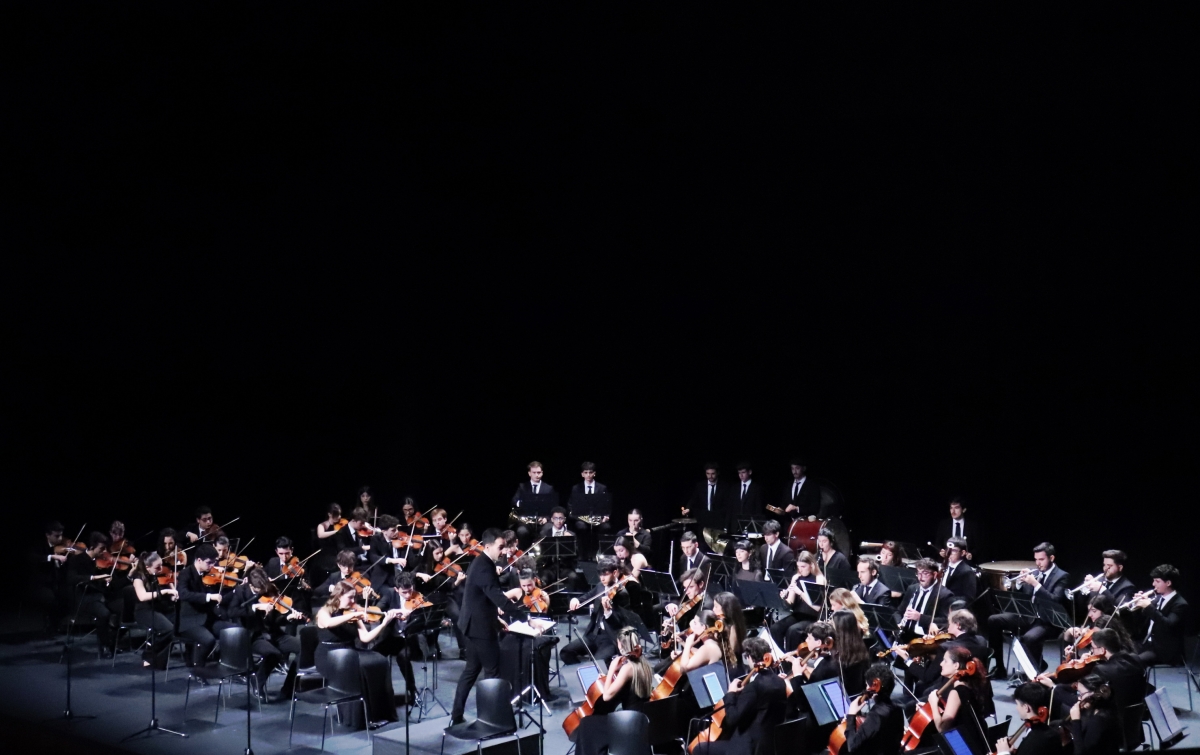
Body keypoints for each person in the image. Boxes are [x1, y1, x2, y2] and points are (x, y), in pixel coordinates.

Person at [449, 528, 528, 725]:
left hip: (473, 624)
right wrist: (524, 618)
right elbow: (497, 597)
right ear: (487, 546)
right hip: (479, 628)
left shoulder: (482, 563)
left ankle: (457, 715)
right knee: (492, 672)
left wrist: (495, 619)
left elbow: (482, 600)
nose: (503, 551)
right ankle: (493, 719)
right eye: (500, 547)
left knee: (471, 671)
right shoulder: (484, 566)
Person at [315, 581, 401, 728]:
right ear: (339, 596)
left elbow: (365, 638)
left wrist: (383, 624)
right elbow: (328, 623)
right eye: (350, 597)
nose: (354, 601)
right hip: (330, 655)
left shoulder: (352, 612)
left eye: (355, 597)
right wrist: (352, 616)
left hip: (349, 651)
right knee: (360, 668)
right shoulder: (324, 612)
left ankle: (379, 713)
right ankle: (361, 719)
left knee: (379, 661)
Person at [219, 566, 304, 701]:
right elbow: (232, 612)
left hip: (273, 633)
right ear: (251, 585)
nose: (263, 592)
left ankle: (288, 689)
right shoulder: (241, 591)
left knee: (303, 648)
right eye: (259, 590)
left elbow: (275, 619)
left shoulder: (269, 588)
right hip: (254, 635)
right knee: (273, 654)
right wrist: (255, 607)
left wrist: (287, 618)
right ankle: (258, 683)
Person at [693, 636, 788, 755]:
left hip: (748, 748)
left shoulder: (754, 687)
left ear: (749, 658)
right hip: (768, 746)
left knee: (699, 748)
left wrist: (731, 693)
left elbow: (732, 719)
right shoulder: (779, 682)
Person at [988, 543, 1071, 676]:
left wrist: (1035, 584)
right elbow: (1022, 598)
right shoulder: (1035, 572)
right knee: (993, 620)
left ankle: (1037, 668)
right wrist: (1020, 583)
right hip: (1028, 615)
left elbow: (1055, 600)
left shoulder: (1062, 576)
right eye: (1036, 559)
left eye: (1041, 559)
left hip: (1047, 620)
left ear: (1052, 558)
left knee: (1029, 639)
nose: (1038, 563)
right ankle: (999, 667)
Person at [571, 628, 655, 755]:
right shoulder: (645, 664)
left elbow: (606, 696)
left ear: (621, 646)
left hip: (628, 724)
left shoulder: (627, 669)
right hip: (642, 720)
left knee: (587, 723)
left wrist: (610, 670)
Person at [561, 557, 633, 665]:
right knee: (565, 653)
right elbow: (587, 596)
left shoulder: (622, 594)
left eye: (605, 574)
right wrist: (576, 600)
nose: (602, 578)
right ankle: (583, 674)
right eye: (600, 575)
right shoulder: (600, 586)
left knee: (597, 665)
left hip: (610, 638)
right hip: (593, 634)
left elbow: (620, 623)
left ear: (615, 572)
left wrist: (608, 612)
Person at [65, 532, 118, 657]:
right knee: (104, 614)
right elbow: (71, 579)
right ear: (92, 546)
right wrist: (95, 577)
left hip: (98, 596)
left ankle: (113, 643)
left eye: (105, 548)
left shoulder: (97, 562)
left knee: (120, 607)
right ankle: (105, 646)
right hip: (83, 597)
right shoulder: (76, 560)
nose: (104, 551)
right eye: (101, 548)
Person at [1130, 563, 1188, 666]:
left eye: (1157, 581)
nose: (1153, 584)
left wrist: (1148, 607)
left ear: (1168, 583)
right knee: (1121, 655)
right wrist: (1138, 604)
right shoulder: (1158, 599)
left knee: (1133, 662)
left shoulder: (1180, 604)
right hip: (1148, 643)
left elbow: (1168, 625)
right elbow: (1142, 620)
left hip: (1164, 650)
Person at [175, 543, 223, 666]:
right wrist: (208, 596)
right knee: (209, 640)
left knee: (232, 632)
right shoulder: (186, 573)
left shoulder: (210, 574)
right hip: (189, 621)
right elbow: (183, 594)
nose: (212, 566)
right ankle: (199, 668)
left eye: (214, 562)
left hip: (207, 617)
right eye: (209, 563)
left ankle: (227, 664)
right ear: (199, 560)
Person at [925, 645, 988, 737]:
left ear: (956, 665)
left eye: (945, 661)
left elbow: (942, 729)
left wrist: (934, 705)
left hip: (966, 744)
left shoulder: (956, 692)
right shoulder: (970, 685)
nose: (941, 664)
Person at [130, 551, 178, 669]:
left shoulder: (160, 574)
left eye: (161, 565)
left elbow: (171, 587)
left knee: (178, 625)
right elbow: (142, 596)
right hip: (144, 610)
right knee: (167, 629)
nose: (161, 569)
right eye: (157, 567)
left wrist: (173, 593)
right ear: (147, 567)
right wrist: (164, 591)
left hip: (160, 608)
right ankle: (148, 655)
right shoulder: (138, 577)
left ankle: (160, 661)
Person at [843, 663, 905, 755]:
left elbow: (852, 746)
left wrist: (851, 716)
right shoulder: (897, 709)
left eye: (867, 685)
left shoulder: (875, 716)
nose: (866, 688)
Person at [774, 551, 825, 651]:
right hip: (797, 615)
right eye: (798, 566)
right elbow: (789, 604)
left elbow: (817, 607)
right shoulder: (796, 577)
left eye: (803, 566)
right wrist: (784, 597)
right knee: (776, 628)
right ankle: (780, 656)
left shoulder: (819, 579)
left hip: (813, 617)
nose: (800, 570)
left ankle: (792, 660)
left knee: (793, 630)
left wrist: (800, 592)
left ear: (811, 565)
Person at [894, 558, 954, 642]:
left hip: (924, 638)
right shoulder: (912, 588)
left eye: (925, 573)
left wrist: (920, 617)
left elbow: (945, 621)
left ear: (935, 574)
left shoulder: (944, 594)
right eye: (918, 573)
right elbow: (899, 611)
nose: (920, 577)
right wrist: (898, 623)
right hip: (905, 633)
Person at [995, 683, 1062, 755]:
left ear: (1026, 708)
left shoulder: (1034, 741)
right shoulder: (1053, 734)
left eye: (1017, 704)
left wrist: (1003, 753)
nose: (1016, 708)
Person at [1066, 674, 1121, 755]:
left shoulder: (1098, 722)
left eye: (1081, 694)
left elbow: (1080, 751)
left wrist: (1075, 721)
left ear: (1095, 694)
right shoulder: (1106, 710)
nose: (1079, 698)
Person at [511, 460, 555, 546]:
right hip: (527, 522)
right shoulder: (522, 487)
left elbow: (553, 507)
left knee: (547, 531)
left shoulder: (548, 488)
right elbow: (514, 502)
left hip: (543, 521)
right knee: (522, 531)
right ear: (529, 473)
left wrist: (546, 518)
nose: (536, 475)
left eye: (539, 472)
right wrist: (521, 504)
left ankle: (544, 558)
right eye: (534, 472)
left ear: (542, 473)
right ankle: (524, 556)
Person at [1071, 550, 1136, 606]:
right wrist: (1085, 588)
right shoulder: (1099, 580)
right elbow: (1080, 605)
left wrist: (1102, 590)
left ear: (1120, 568)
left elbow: (1119, 607)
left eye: (1109, 566)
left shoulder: (1128, 587)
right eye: (1104, 565)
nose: (1105, 569)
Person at [683, 462, 730, 531]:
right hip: (704, 520)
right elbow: (694, 499)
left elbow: (727, 505)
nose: (710, 476)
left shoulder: (724, 486)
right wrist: (688, 508)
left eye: (713, 474)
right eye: (708, 474)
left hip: (718, 521)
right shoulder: (700, 486)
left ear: (717, 473)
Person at [934, 497, 983, 562]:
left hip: (966, 563)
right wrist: (940, 551)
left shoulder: (973, 525)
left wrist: (971, 554)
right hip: (948, 562)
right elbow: (938, 543)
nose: (953, 511)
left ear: (964, 510)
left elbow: (979, 546)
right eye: (951, 508)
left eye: (956, 508)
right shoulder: (944, 524)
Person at [313, 502, 345, 587]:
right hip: (325, 554)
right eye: (337, 515)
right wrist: (336, 531)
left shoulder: (341, 524)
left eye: (340, 514)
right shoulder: (322, 525)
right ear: (329, 514)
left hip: (337, 553)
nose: (339, 517)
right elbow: (320, 535)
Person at [942, 537, 978, 604]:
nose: (949, 553)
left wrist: (946, 599)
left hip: (954, 608)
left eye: (954, 550)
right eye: (948, 550)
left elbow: (969, 597)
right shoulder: (944, 567)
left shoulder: (967, 572)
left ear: (963, 553)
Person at [731, 461, 763, 527]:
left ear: (750, 472)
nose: (741, 475)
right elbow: (730, 508)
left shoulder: (757, 488)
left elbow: (758, 509)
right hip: (735, 524)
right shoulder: (734, 488)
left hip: (750, 524)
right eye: (739, 473)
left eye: (743, 472)